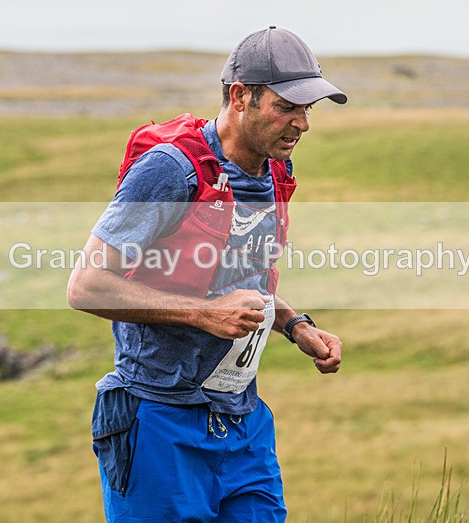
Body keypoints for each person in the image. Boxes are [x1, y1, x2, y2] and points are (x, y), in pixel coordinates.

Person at [68, 26, 346, 522]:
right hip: (158, 420)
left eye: (309, 109)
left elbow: (240, 284)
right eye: (287, 106)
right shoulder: (171, 170)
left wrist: (295, 325)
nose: (302, 123)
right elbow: (85, 285)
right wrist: (203, 314)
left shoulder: (273, 172)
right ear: (241, 96)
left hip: (243, 421)